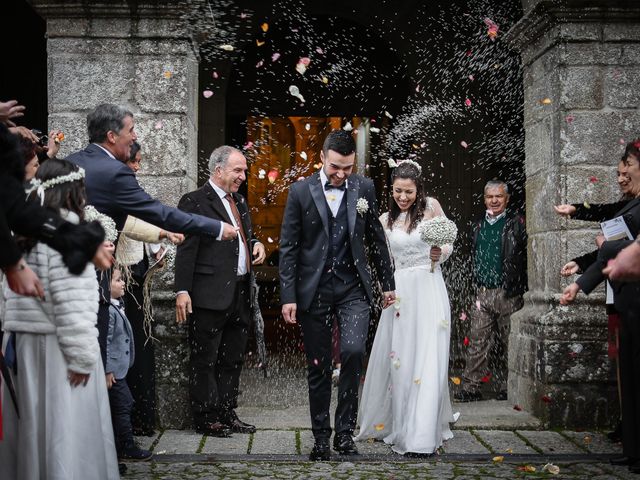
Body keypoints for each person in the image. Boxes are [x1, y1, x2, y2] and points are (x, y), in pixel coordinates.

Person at [66, 103, 238, 367]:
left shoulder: (70, 162)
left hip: (64, 275)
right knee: (93, 357)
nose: (135, 136)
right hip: (92, 278)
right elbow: (158, 212)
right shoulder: (115, 172)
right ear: (112, 136)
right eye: (131, 130)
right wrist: (215, 227)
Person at [279, 129, 396, 460]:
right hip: (313, 290)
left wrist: (388, 283)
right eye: (335, 168)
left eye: (347, 168)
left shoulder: (365, 189)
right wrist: (288, 295)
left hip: (353, 288)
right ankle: (320, 437)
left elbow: (376, 239)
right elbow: (288, 248)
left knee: (354, 351)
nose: (342, 174)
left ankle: (345, 434)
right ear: (322, 158)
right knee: (317, 366)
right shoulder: (300, 191)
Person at [0, 158, 119, 479]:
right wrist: (82, 357)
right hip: (59, 348)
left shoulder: (24, 234)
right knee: (66, 431)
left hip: (24, 344)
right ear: (74, 192)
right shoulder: (69, 236)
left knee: (34, 427)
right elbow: (73, 303)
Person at [354, 160, 457, 455]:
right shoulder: (386, 220)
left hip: (429, 285)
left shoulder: (431, 208)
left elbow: (448, 241)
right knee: (402, 359)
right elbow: (382, 258)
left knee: (429, 356)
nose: (403, 197)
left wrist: (441, 253)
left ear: (418, 190)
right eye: (398, 191)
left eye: (408, 192)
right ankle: (402, 422)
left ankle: (422, 433)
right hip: (400, 294)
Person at [560, 140, 640, 473]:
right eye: (618, 172)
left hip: (636, 298)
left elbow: (615, 248)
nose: (621, 178)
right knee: (630, 377)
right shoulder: (629, 205)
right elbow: (608, 238)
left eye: (627, 170)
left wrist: (580, 281)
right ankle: (633, 450)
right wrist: (581, 273)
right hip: (624, 300)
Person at [175, 145, 266, 437]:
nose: (243, 176)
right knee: (205, 359)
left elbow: (245, 239)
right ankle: (206, 416)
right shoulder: (194, 202)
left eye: (244, 171)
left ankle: (227, 412)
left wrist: (256, 244)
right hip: (208, 295)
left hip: (240, 293)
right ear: (218, 170)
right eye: (237, 170)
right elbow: (186, 250)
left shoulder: (239, 202)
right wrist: (182, 290)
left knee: (232, 358)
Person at [119, 141, 184, 436]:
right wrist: (162, 232)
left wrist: (155, 248)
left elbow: (141, 218)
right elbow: (128, 223)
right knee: (127, 347)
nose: (138, 167)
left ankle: (143, 418)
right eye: (135, 162)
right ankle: (130, 419)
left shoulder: (129, 188)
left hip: (139, 274)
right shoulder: (114, 188)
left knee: (142, 346)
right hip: (123, 276)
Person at [455, 179, 527, 402]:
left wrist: (518, 286)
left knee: (510, 342)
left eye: (499, 196)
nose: (494, 200)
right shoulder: (476, 224)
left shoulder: (517, 223)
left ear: (506, 198)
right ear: (484, 198)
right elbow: (470, 254)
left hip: (508, 292)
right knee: (477, 341)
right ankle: (471, 387)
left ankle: (510, 386)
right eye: (490, 197)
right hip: (482, 293)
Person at [106, 267, 153, 461]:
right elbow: (105, 343)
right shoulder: (108, 311)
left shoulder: (117, 304)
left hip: (120, 370)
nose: (123, 283)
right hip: (114, 372)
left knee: (124, 404)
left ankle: (120, 446)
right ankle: (125, 446)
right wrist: (107, 369)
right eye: (117, 280)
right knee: (123, 405)